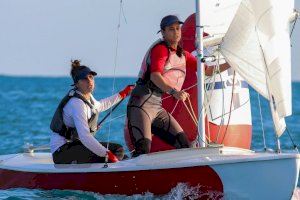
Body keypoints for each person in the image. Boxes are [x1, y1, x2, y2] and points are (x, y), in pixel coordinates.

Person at [50, 60, 133, 164]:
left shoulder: (87, 97)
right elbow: (85, 137)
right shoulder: (77, 103)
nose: (89, 81)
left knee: (123, 156)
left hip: (74, 146)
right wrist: (106, 153)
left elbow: (101, 105)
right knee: (117, 150)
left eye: (91, 77)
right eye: (84, 79)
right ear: (77, 83)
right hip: (62, 152)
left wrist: (123, 93)